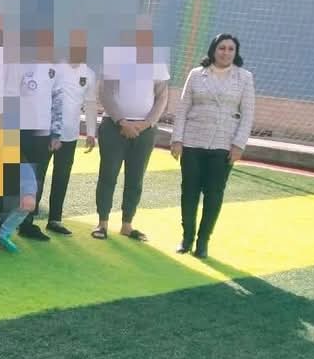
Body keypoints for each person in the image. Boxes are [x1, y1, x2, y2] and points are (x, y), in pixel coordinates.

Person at [169, 33, 256, 259]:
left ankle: (203, 241)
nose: (225, 52)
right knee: (189, 192)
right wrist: (177, 139)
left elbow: (248, 114)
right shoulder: (196, 74)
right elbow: (183, 108)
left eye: (230, 49)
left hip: (223, 145)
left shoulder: (244, 78)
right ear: (213, 50)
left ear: (235, 53)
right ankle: (187, 238)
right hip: (192, 142)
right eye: (221, 48)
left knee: (214, 194)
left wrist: (238, 145)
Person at [92, 27, 169, 242]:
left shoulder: (157, 62)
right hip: (114, 127)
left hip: (145, 130)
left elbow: (162, 97)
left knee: (136, 178)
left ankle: (127, 224)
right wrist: (122, 122)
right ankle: (102, 223)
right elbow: (105, 93)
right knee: (108, 175)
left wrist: (147, 123)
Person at [7, 32, 64, 242]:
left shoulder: (54, 70)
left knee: (36, 178)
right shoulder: (19, 64)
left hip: (42, 134)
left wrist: (56, 133)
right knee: (11, 176)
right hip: (18, 131)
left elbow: (57, 101)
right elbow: (9, 96)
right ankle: (3, 222)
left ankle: (27, 223)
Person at [41, 34, 97, 236]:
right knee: (38, 176)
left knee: (62, 177)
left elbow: (90, 103)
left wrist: (91, 133)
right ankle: (26, 220)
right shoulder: (55, 68)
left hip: (70, 136)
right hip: (47, 133)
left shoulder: (89, 74)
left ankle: (54, 220)